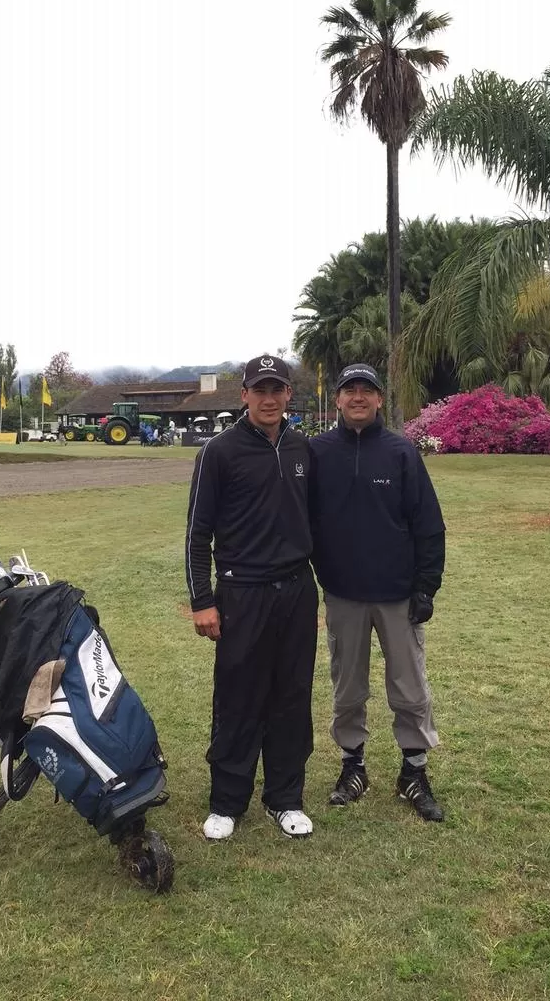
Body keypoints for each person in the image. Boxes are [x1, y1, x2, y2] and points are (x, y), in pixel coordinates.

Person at [185, 354, 318, 841]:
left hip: (297, 591)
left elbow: (316, 525)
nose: (268, 399)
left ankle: (285, 797)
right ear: (243, 395)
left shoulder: (304, 449)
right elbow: (197, 535)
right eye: (259, 390)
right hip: (242, 591)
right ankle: (227, 801)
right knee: (239, 696)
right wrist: (203, 601)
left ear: (288, 394)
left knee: (291, 695)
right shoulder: (219, 452)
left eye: (277, 389)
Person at [309, 363, 446, 822]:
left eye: (367, 390)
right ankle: (353, 766)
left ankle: (413, 769)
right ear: (339, 399)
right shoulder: (319, 452)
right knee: (348, 686)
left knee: (409, 687)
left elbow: (428, 525)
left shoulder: (402, 453)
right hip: (344, 594)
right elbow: (302, 521)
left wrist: (426, 586)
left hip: (398, 595)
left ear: (380, 400)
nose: (358, 398)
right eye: (351, 390)